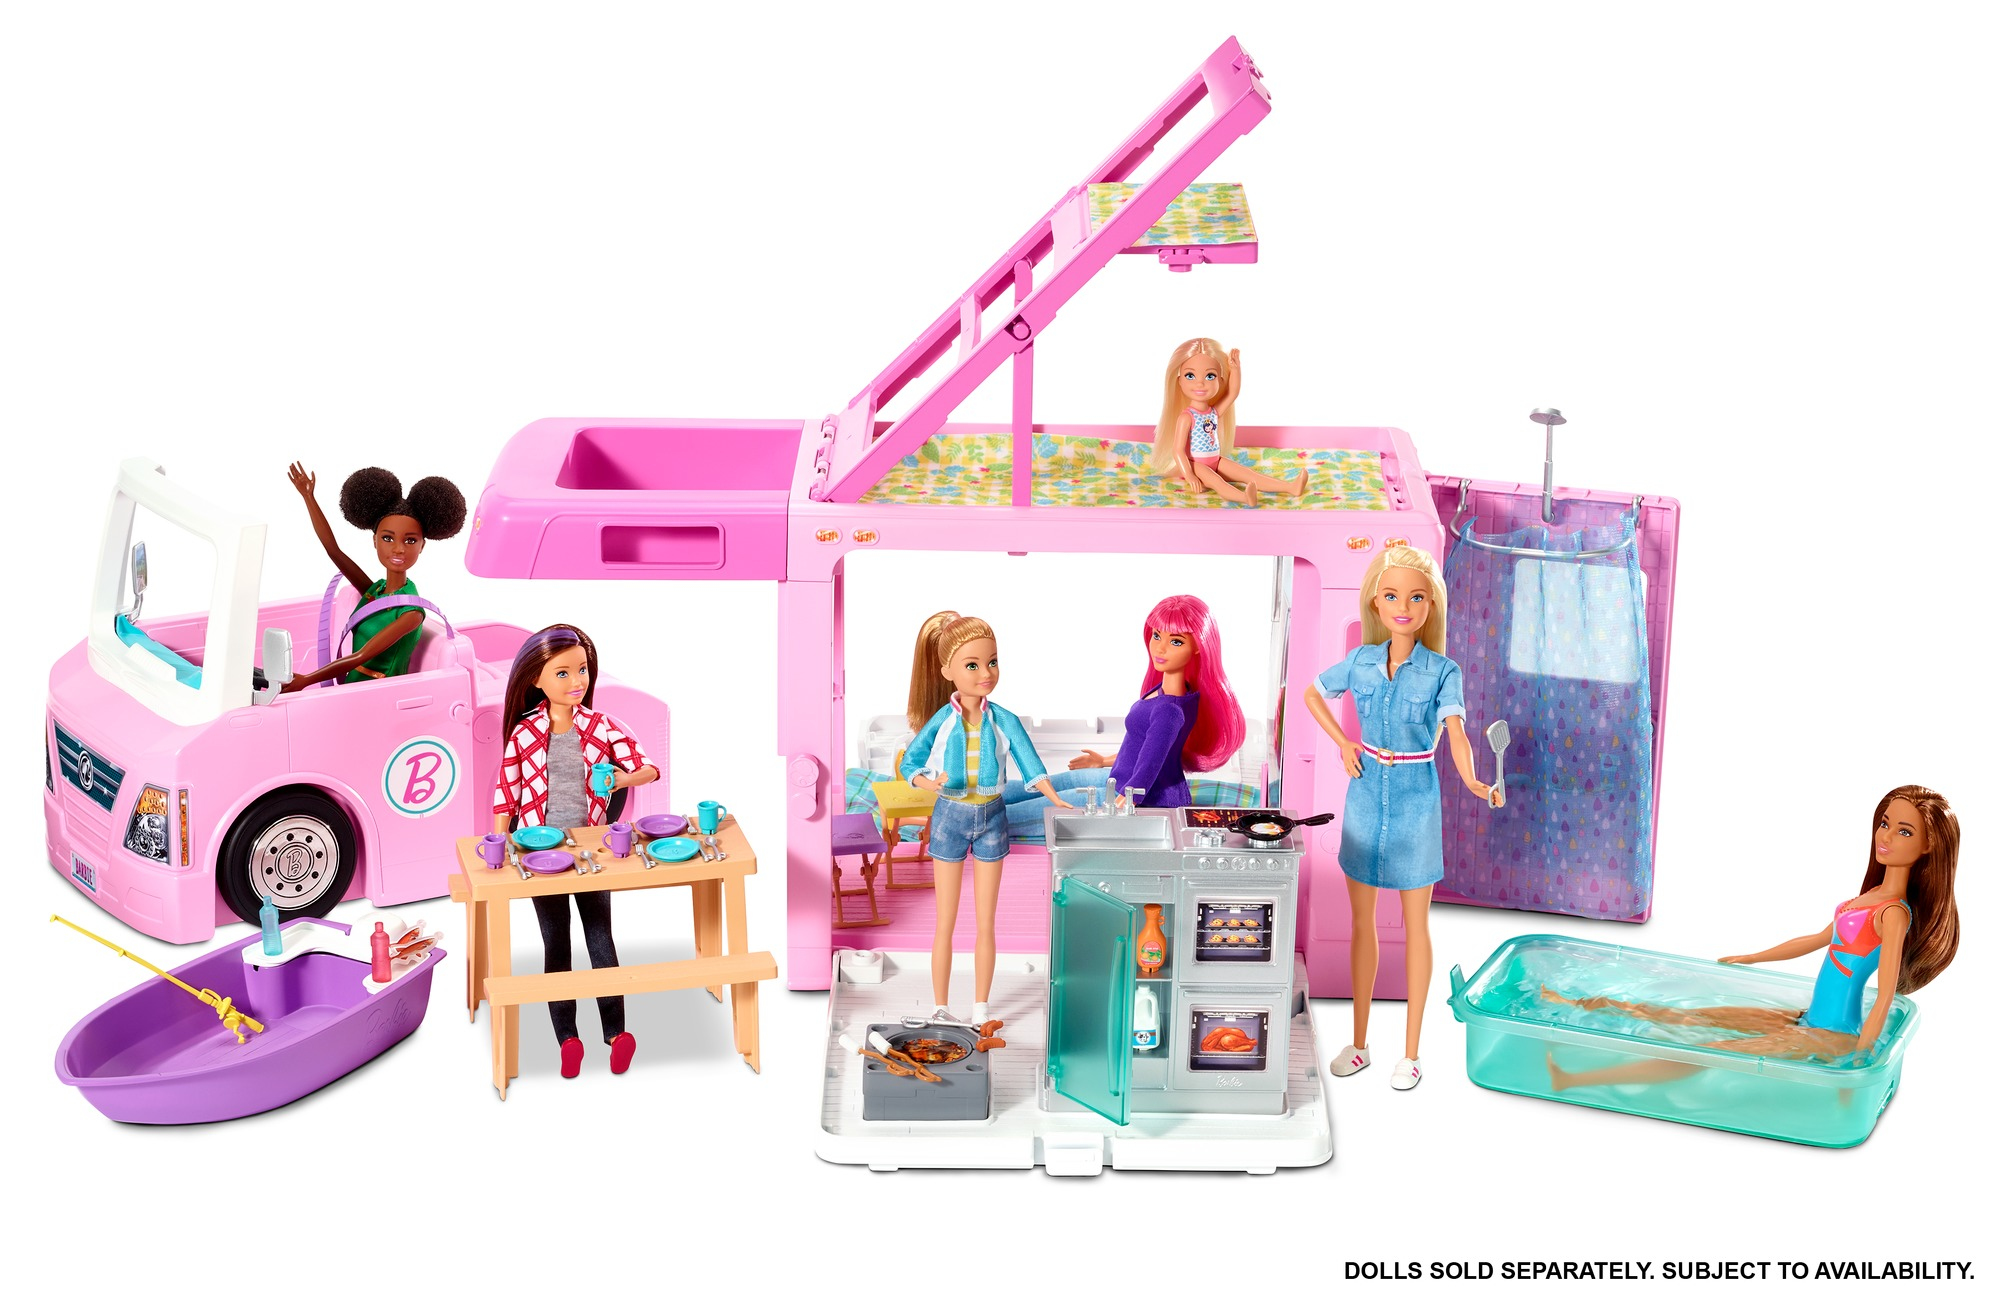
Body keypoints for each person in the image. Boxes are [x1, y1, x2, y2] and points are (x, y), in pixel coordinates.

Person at [1543, 785, 1960, 1089]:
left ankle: (1577, 1080)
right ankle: (1571, 1003)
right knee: (1687, 1016)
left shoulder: (1893, 914)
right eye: (1885, 824)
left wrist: (1860, 1065)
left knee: (1706, 1053)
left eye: (1904, 832)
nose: (1885, 837)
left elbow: (1884, 996)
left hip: (1832, 1036)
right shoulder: (1870, 896)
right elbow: (1818, 939)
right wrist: (1754, 957)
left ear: (1929, 847)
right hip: (1805, 1018)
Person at [1306, 544, 1501, 1091]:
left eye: (1416, 598)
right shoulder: (1361, 661)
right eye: (1392, 596)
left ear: (1431, 605)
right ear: (1375, 599)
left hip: (1417, 800)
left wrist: (1473, 781)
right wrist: (1344, 741)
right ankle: (1360, 1043)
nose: (1403, 607)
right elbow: (1313, 694)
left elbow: (1457, 733)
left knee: (1416, 927)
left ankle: (1411, 1053)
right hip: (1366, 795)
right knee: (1361, 924)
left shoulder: (1442, 671)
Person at [492, 625, 659, 1079]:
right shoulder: (524, 733)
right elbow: (506, 796)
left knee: (600, 938)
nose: (576, 681)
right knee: (557, 943)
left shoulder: (600, 726)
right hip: (540, 854)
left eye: (581, 670)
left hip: (590, 852)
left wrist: (621, 779)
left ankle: (616, 1034)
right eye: (562, 673)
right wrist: (498, 847)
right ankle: (568, 1038)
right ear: (536, 680)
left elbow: (648, 767)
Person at [900, 614, 1072, 1023]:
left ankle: (980, 1007)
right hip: (950, 815)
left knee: (985, 922)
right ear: (947, 671)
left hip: (993, 816)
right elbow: (910, 762)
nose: (986, 673)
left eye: (992, 662)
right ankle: (941, 1007)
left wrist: (1056, 801)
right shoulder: (943, 721)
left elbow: (1031, 765)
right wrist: (930, 782)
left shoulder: (1004, 720)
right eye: (973, 665)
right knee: (945, 921)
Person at [1000, 593, 1247, 830]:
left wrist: (1131, 797)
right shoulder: (1171, 692)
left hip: (1142, 795)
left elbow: (1151, 762)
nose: (1160, 649)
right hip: (1121, 778)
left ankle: (982, 816)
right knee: (1035, 786)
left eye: (1176, 641)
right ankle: (982, 795)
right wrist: (1103, 761)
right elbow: (1144, 748)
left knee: (1015, 815)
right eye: (1157, 636)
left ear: (1198, 646)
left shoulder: (1169, 710)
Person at [283, 463, 466, 690]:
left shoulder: (411, 613)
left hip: (381, 696)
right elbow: (333, 550)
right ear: (375, 540)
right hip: (355, 688)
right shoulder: (376, 591)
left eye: (410, 540)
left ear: (422, 546)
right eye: (388, 538)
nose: (398, 549)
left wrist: (307, 680)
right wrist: (308, 497)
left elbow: (361, 655)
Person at [1147, 339, 1307, 505]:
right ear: (1179, 381)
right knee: (1218, 482)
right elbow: (1178, 451)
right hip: (1196, 465)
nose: (1200, 383)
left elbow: (1232, 394)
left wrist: (1235, 369)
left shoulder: (1213, 412)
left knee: (1248, 474)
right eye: (1190, 376)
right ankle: (1244, 498)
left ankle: (1291, 487)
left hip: (1216, 460)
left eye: (1210, 376)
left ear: (1221, 381)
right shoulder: (1187, 417)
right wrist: (1189, 475)